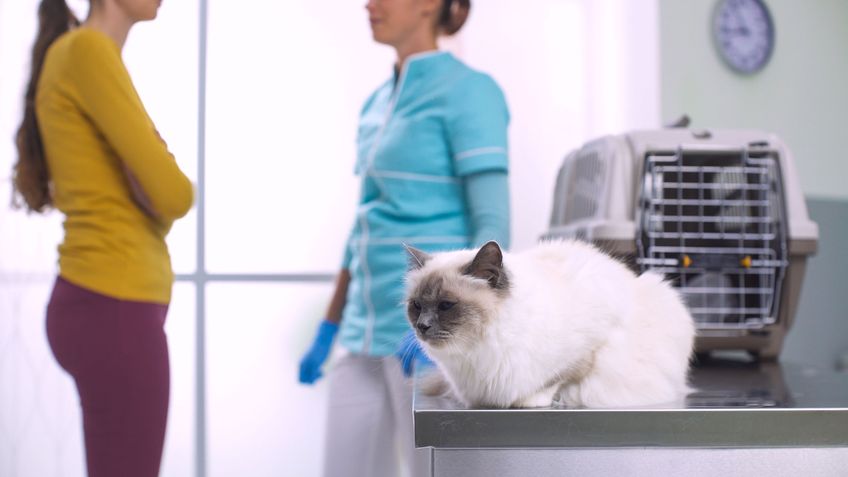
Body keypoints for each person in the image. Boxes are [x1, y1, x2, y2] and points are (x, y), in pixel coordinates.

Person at [298, 0, 510, 475]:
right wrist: (330, 326)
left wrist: (465, 338)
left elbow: (493, 230)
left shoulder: (470, 93)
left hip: (435, 336)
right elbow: (362, 225)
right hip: (362, 333)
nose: (369, 4)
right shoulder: (376, 103)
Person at [12, 0, 193, 475]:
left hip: (104, 304)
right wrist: (156, 174)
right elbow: (173, 194)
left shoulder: (87, 54)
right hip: (113, 308)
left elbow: (163, 194)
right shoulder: (89, 52)